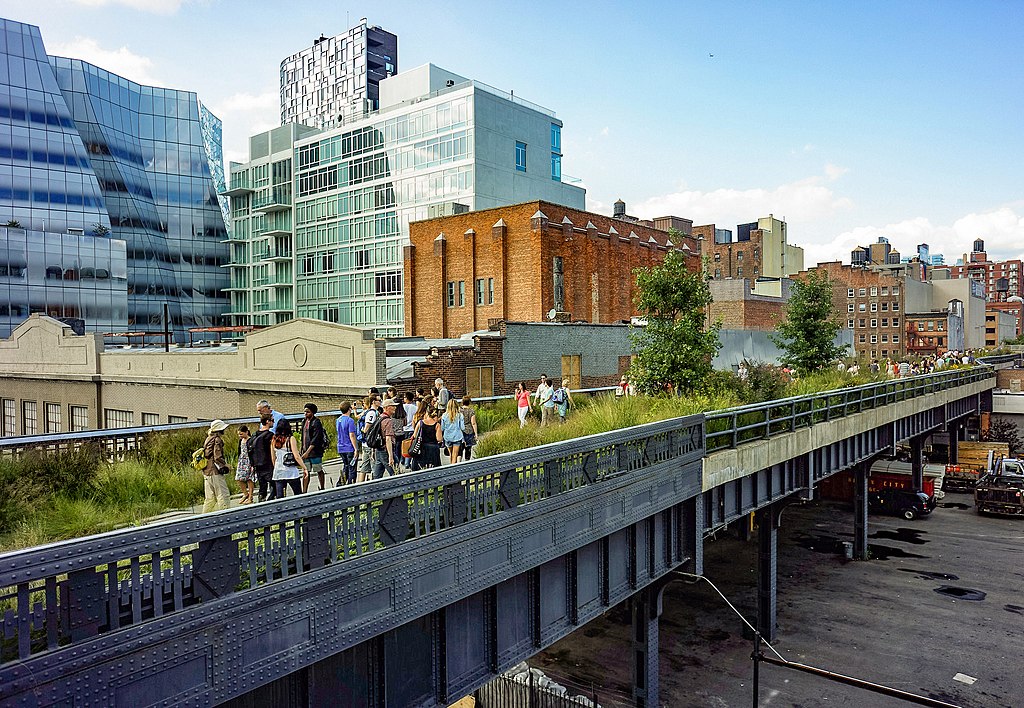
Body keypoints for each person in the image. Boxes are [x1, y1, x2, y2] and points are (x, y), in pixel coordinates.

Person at [271, 419, 306, 498]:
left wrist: (276, 467)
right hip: (291, 471)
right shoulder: (290, 439)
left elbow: (273, 457)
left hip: (278, 471)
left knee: (280, 497)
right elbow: (296, 456)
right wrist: (304, 468)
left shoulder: (274, 439)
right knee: (298, 494)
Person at [201, 419, 231, 513]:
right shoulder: (217, 440)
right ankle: (225, 516)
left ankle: (204, 518)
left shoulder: (208, 438)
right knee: (223, 495)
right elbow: (217, 457)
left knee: (210, 498)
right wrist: (226, 465)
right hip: (215, 471)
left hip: (206, 470)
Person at [300, 402, 328, 492]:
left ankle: (322, 487)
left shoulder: (316, 423)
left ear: (312, 412)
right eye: (304, 412)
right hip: (305, 451)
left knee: (318, 469)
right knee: (306, 471)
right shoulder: (304, 422)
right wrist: (302, 450)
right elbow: (302, 437)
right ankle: (304, 491)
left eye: (307, 412)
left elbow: (315, 439)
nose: (305, 414)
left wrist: (307, 452)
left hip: (315, 452)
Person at [249, 415, 276, 501]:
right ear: (267, 421)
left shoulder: (254, 435)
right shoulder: (270, 435)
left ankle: (261, 500)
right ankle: (271, 500)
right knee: (274, 484)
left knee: (262, 485)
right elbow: (273, 451)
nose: (273, 422)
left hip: (257, 464)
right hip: (268, 463)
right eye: (272, 420)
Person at [371, 399, 398, 479]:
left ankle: (373, 489)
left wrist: (373, 450)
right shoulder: (388, 421)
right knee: (396, 473)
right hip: (386, 450)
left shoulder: (379, 418)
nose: (395, 408)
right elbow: (388, 439)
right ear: (387, 408)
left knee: (377, 476)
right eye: (393, 406)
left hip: (378, 449)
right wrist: (391, 456)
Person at [356, 396, 380, 483]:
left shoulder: (369, 412)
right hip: (370, 444)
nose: (380, 401)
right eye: (379, 400)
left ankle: (360, 485)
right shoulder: (372, 413)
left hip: (365, 443)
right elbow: (366, 428)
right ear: (373, 402)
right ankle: (372, 485)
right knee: (374, 466)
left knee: (365, 467)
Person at [335, 401, 359, 485]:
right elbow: (351, 435)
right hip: (349, 446)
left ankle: (341, 483)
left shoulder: (338, 420)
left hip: (341, 446)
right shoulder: (350, 420)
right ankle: (351, 484)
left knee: (346, 466)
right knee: (352, 467)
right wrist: (356, 448)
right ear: (349, 409)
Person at [388, 388, 407, 471]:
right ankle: (399, 463)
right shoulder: (403, 414)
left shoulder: (392, 414)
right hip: (401, 433)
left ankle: (395, 465)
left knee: (394, 450)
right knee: (399, 450)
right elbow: (405, 424)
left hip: (394, 433)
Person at [440, 398, 464, 464]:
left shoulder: (444, 415)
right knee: (455, 455)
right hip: (457, 436)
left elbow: (442, 428)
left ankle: (451, 467)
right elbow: (462, 427)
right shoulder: (460, 415)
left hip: (447, 437)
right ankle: (453, 469)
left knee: (451, 454)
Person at [235, 425, 255, 504]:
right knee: (239, 478)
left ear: (246, 432)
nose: (240, 436)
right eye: (239, 434)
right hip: (242, 461)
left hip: (249, 461)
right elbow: (239, 451)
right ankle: (245, 494)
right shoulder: (241, 441)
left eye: (241, 434)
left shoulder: (251, 440)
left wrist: (253, 464)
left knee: (249, 479)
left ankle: (250, 496)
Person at [419, 401, 443, 469]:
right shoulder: (437, 425)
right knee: (434, 468)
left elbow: (415, 435)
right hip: (433, 448)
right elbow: (439, 439)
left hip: (423, 447)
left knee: (423, 467)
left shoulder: (421, 423)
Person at [401, 391, 418, 468]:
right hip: (411, 428)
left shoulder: (402, 407)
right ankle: (407, 462)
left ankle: (402, 459)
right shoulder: (415, 408)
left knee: (403, 445)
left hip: (403, 428)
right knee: (410, 446)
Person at [460, 396, 479, 461]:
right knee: (468, 449)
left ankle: (458, 462)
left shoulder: (459, 410)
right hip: (469, 430)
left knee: (460, 449)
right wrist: (476, 434)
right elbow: (473, 423)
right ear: (469, 402)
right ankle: (466, 461)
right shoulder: (471, 411)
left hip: (460, 430)